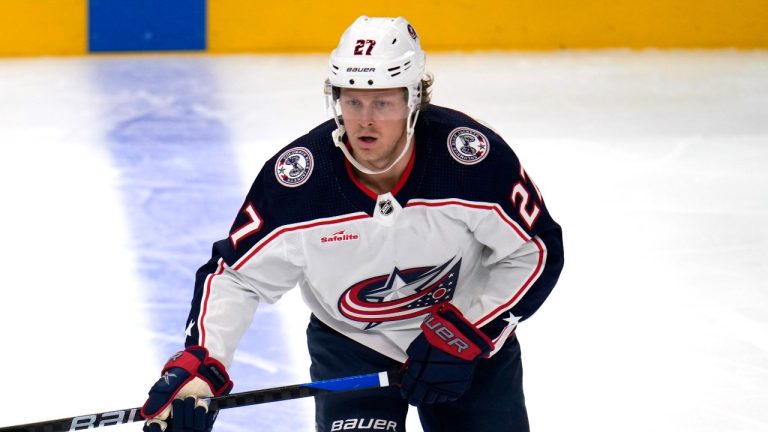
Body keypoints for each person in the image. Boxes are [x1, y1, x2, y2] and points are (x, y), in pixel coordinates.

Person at [141, 15, 564, 432]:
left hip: (467, 338)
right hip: (352, 346)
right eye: (352, 100)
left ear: (414, 100)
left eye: (383, 102)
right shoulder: (299, 183)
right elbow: (236, 277)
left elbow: (535, 250)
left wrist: (471, 331)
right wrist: (202, 362)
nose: (365, 120)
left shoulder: (469, 161)